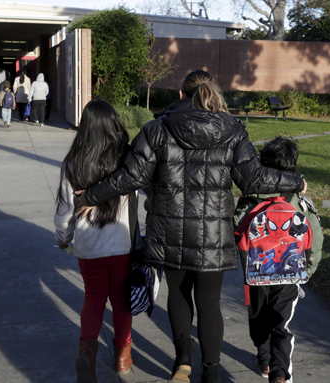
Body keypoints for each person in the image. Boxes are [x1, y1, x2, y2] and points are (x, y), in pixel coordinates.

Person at [76, 70, 307, 383]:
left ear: (181, 94)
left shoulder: (156, 129)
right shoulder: (233, 129)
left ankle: (182, 362)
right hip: (213, 234)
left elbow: (131, 177)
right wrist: (297, 181)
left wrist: (90, 195)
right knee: (209, 303)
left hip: (169, 233)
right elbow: (253, 178)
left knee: (178, 295)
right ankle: (210, 372)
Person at [54, 99, 134, 383]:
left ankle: (87, 354)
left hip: (89, 247)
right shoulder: (126, 159)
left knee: (94, 298)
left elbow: (65, 210)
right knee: (121, 302)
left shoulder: (73, 163)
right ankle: (123, 358)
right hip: (122, 244)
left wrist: (63, 237)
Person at [233, 137, 323, 383]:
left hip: (256, 275)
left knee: (258, 318)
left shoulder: (251, 199)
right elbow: (315, 237)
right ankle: (280, 374)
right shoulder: (301, 203)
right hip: (290, 275)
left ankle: (264, 361)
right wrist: (310, 268)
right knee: (281, 325)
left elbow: (238, 233)